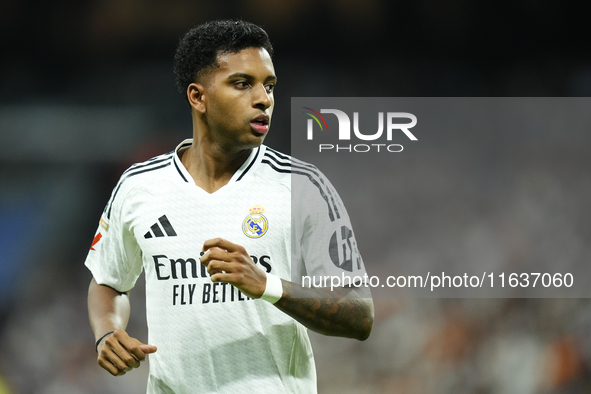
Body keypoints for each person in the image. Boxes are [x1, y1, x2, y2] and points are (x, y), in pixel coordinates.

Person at [86, 19, 373, 394]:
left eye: (269, 86)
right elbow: (108, 281)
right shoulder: (140, 186)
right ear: (198, 97)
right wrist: (108, 330)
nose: (263, 99)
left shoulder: (303, 185)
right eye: (242, 84)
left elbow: (359, 315)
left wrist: (265, 284)